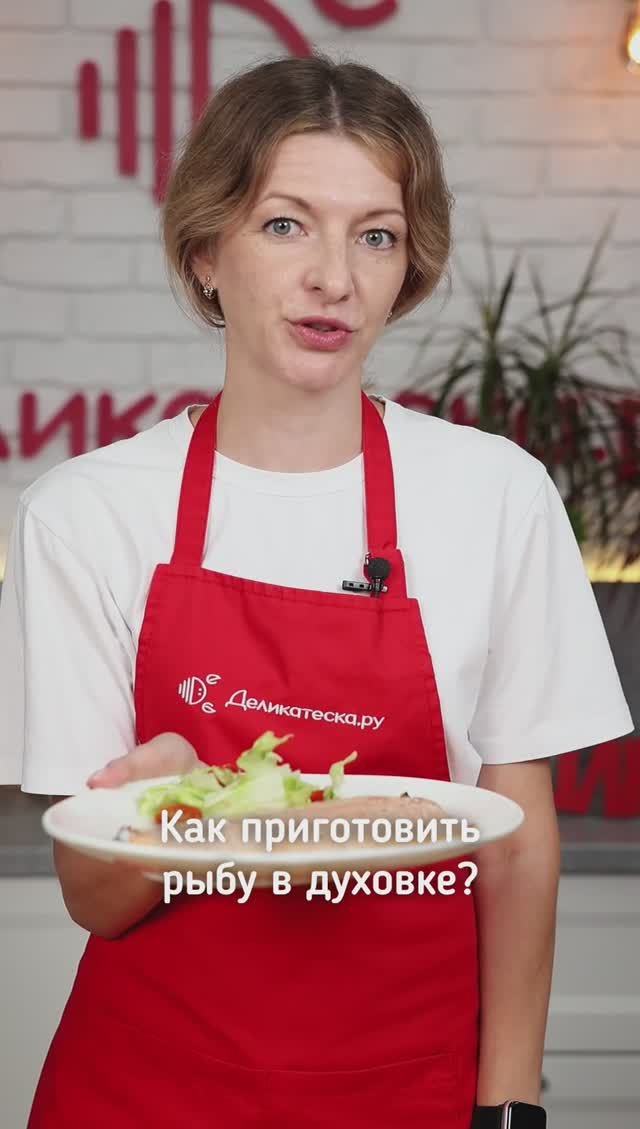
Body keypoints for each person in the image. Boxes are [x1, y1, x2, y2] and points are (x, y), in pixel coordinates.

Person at [0, 52, 633, 1129]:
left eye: (375, 235)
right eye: (286, 224)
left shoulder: (495, 494)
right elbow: (94, 897)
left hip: (413, 1083)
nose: (334, 277)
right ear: (206, 252)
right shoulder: (85, 513)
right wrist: (173, 794)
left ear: (407, 265)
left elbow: (518, 840)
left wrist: (510, 1103)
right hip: (151, 1089)